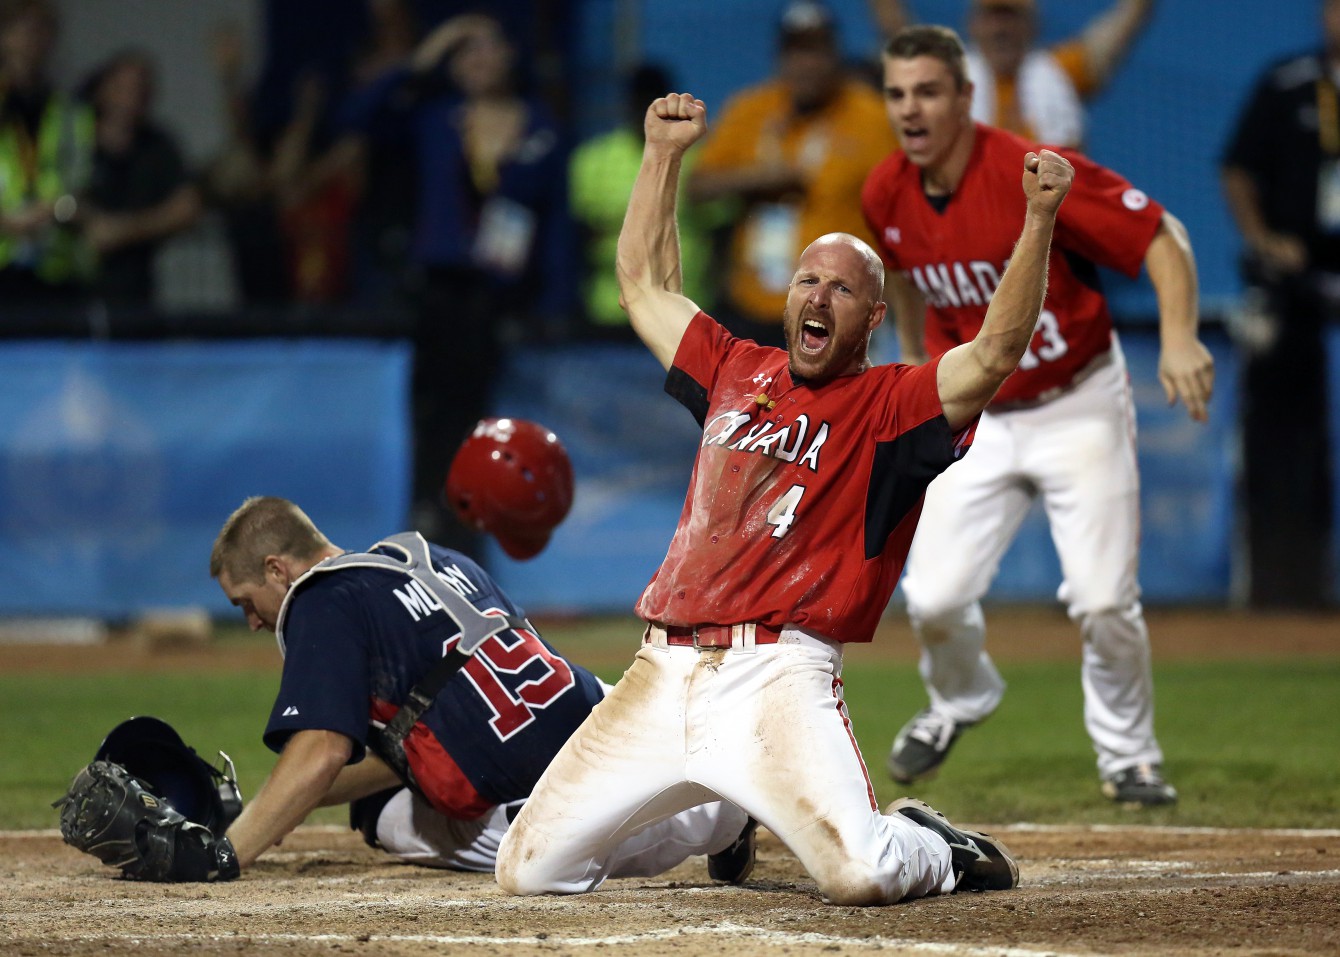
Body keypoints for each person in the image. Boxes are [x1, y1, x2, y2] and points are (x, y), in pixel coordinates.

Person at [495, 88, 1076, 905]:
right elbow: (641, 285)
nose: (817, 297)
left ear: (872, 316)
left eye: (841, 289)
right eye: (807, 279)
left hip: (778, 674)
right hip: (660, 669)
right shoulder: (737, 368)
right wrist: (662, 154)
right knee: (528, 871)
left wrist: (1039, 220)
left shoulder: (889, 406)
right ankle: (725, 818)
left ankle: (932, 846)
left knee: (862, 873)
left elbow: (993, 354)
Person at [861, 25, 1214, 806]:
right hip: (981, 413)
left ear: (964, 95)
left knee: (1100, 599)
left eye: (927, 91)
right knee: (935, 596)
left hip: (1077, 399)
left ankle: (1129, 756)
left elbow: (1163, 235)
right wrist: (921, 368)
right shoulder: (884, 190)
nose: (910, 109)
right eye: (896, 93)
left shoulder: (1032, 173)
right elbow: (906, 272)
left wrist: (1182, 335)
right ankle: (959, 698)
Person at [209, 493, 749, 877]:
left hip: (550, 796)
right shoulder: (424, 556)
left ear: (278, 570)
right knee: (392, 787)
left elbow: (322, 750)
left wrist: (227, 849)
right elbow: (410, 740)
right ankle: (716, 778)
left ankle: (727, 811)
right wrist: (270, 808)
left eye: (245, 602)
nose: (253, 621)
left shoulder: (320, 600)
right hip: (602, 715)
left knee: (417, 826)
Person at [341, 12, 574, 551]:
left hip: (502, 296)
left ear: (510, 56)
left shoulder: (539, 125)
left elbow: (556, 223)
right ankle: (427, 529)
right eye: (463, 52)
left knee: (489, 419)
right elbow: (359, 116)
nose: (477, 60)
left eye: (487, 47)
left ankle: (480, 533)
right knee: (434, 418)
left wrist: (557, 304)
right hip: (440, 291)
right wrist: (427, 54)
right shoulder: (435, 117)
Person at [1219, 0, 1340, 610]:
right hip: (1292, 279)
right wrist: (1264, 239)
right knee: (1283, 432)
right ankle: (1282, 588)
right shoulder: (1288, 81)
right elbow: (1237, 169)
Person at [686, 0, 896, 347]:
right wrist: (760, 178)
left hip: (837, 315)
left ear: (835, 54)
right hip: (752, 306)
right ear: (779, 57)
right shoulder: (750, 109)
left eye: (816, 52)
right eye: (795, 52)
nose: (806, 65)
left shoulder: (870, 117)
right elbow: (698, 186)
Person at [569, 63, 731, 340]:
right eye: (640, 100)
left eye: (655, 101)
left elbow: (721, 234)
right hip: (612, 308)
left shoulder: (699, 161)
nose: (647, 110)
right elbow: (579, 236)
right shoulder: (593, 159)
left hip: (687, 308)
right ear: (627, 103)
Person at [867, 0, 1154, 146]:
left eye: (1011, 18)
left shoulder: (1057, 71)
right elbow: (898, 33)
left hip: (1052, 228)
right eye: (991, 18)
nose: (1001, 29)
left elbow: (1111, 40)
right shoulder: (950, 72)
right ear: (973, 25)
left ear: (1033, 26)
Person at [79, 50, 203, 306]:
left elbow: (187, 207)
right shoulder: (73, 137)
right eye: (123, 87)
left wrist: (123, 230)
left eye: (140, 88)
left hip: (134, 292)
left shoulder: (158, 146)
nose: (132, 97)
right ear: (102, 89)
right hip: (66, 289)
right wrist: (85, 219)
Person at [0, 0, 94, 306]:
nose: (33, 40)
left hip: (54, 270)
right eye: (24, 30)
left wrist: (53, 209)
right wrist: (11, 223)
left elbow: (81, 183)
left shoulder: (71, 112)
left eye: (43, 30)